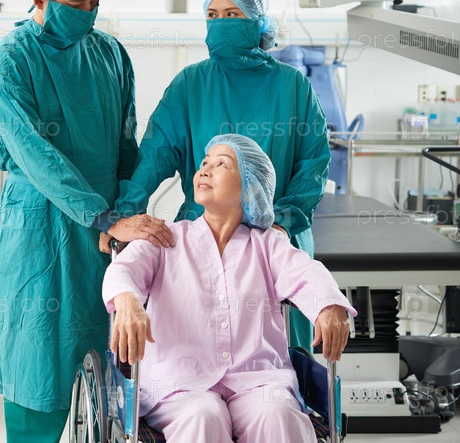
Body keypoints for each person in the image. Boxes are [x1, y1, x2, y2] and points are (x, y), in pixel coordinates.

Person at [0, 0, 172, 442]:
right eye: (76, 4)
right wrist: (103, 217)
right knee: (38, 360)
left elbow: (125, 144)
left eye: (95, 3)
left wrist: (128, 210)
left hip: (107, 225)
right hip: (42, 227)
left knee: (110, 363)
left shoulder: (109, 54)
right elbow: (34, 155)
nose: (88, 14)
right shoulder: (9, 62)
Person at [107, 0, 331, 350]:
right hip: (203, 238)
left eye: (232, 15)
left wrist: (283, 222)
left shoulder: (293, 87)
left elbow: (313, 167)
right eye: (212, 15)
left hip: (275, 239)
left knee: (277, 356)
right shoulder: (190, 85)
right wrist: (124, 215)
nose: (220, 23)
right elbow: (154, 157)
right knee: (196, 350)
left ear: (258, 20)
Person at [102, 134, 355, 443]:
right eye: (204, 162)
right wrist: (127, 301)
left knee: (277, 414)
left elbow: (306, 273)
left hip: (258, 379)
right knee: (202, 416)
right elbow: (123, 270)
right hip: (180, 382)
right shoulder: (166, 238)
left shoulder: (266, 245)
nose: (204, 170)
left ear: (250, 188)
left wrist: (329, 305)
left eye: (221, 164)